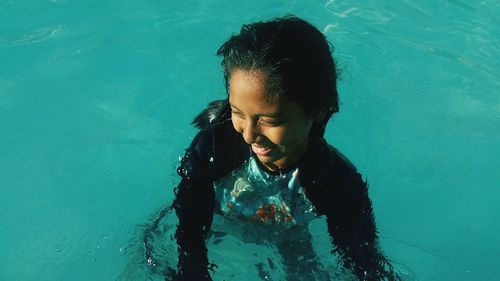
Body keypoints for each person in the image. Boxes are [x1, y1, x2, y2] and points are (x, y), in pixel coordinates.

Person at [161, 15, 400, 280]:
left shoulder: (337, 184)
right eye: (237, 112)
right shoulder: (213, 151)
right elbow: (189, 232)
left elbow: (364, 262)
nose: (249, 135)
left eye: (270, 120)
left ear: (318, 110)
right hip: (221, 236)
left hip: (288, 239)